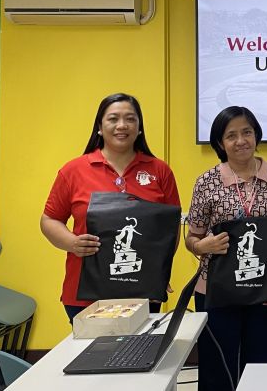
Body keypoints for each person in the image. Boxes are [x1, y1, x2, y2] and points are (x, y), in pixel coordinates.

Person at [41, 93, 180, 322]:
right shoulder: (74, 170)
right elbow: (49, 220)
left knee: (137, 354)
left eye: (130, 119)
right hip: (84, 293)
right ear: (99, 127)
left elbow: (170, 228)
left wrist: (158, 270)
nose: (122, 126)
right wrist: (72, 243)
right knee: (91, 356)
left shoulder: (160, 171)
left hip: (142, 289)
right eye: (113, 119)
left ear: (139, 127)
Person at [185, 106, 267, 391]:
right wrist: (203, 245)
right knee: (216, 368)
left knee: (261, 369)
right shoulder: (206, 182)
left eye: (246, 132)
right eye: (231, 135)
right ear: (220, 143)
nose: (241, 140)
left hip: (264, 291)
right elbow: (192, 237)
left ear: (256, 135)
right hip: (216, 290)